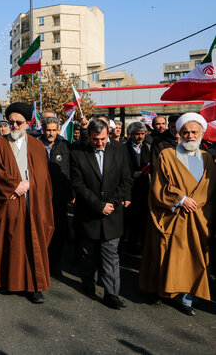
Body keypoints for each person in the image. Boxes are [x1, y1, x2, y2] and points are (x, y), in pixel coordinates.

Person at [139, 113, 214, 316]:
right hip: (173, 217)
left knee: (194, 258)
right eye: (186, 132)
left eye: (194, 132)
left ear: (201, 134)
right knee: (169, 257)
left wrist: (197, 204)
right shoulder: (167, 155)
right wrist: (181, 200)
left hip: (198, 219)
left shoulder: (208, 159)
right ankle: (168, 291)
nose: (190, 136)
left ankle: (188, 295)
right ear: (179, 134)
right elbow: (159, 186)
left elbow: (210, 189)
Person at [0, 103, 54, 303]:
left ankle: (35, 286)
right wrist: (14, 186)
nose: (15, 126)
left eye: (19, 122)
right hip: (11, 200)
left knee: (33, 242)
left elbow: (43, 175)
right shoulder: (0, 144)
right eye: (12, 122)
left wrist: (30, 184)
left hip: (33, 202)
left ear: (27, 123)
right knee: (12, 242)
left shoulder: (36, 145)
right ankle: (12, 282)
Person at [71, 119, 132, 309]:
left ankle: (111, 294)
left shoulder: (119, 150)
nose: (100, 143)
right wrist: (99, 206)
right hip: (89, 214)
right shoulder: (78, 154)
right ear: (89, 136)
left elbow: (126, 180)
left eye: (103, 138)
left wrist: (110, 204)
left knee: (111, 255)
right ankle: (88, 282)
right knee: (88, 254)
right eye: (96, 139)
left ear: (108, 134)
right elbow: (78, 185)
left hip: (112, 214)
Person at [38, 115, 72, 276]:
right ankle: (42, 262)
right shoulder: (36, 144)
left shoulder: (65, 145)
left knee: (59, 231)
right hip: (41, 195)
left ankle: (55, 263)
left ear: (58, 130)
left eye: (54, 130)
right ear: (43, 129)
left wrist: (71, 192)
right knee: (41, 230)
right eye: (48, 130)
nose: (51, 133)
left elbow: (72, 169)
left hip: (60, 196)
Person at [121, 121, 150, 256]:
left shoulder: (148, 148)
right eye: (137, 134)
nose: (140, 137)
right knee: (126, 221)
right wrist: (131, 174)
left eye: (142, 134)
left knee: (142, 221)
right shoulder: (122, 149)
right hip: (128, 190)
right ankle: (123, 248)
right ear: (130, 134)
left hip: (144, 190)